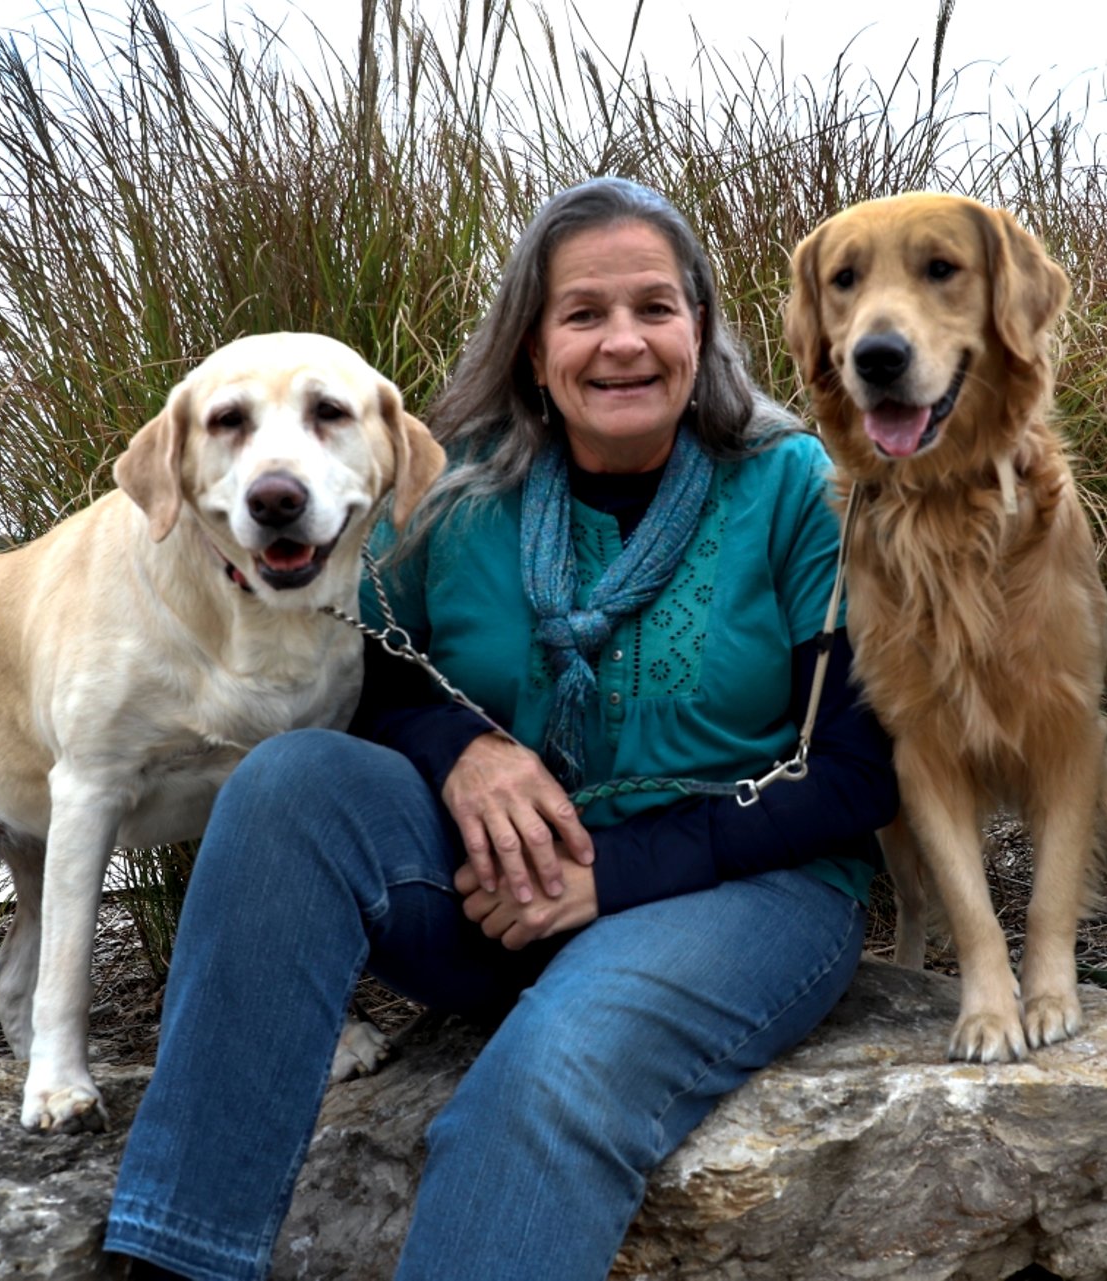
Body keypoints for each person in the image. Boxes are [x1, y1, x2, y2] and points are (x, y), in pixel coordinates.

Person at [103, 176, 899, 1281]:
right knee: (288, 783)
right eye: (583, 314)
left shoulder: (801, 488)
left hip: (752, 892)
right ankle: (179, 1260)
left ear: (701, 329)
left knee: (539, 1076)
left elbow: (860, 772)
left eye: (655, 308)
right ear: (533, 346)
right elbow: (370, 680)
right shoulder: (458, 490)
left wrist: (609, 876)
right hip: (497, 895)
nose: (622, 342)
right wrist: (462, 751)